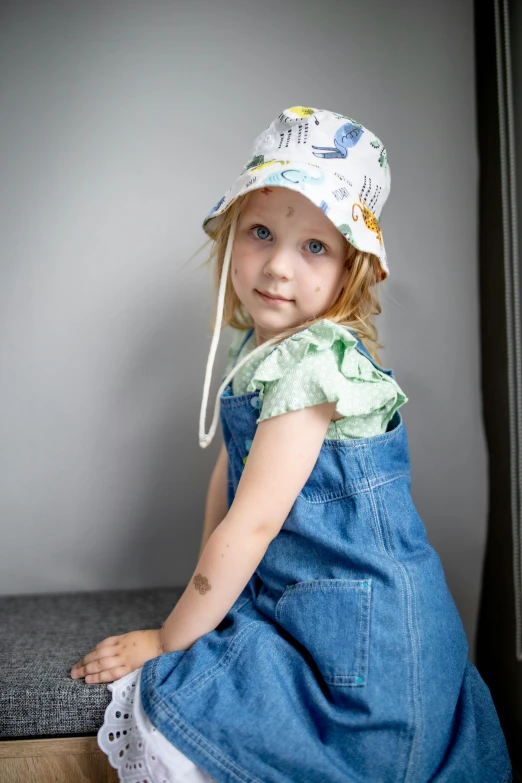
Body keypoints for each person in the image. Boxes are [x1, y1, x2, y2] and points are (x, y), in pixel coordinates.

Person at [85, 106, 511, 781]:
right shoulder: (258, 347)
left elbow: (253, 523)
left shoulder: (315, 362)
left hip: (368, 648)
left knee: (185, 696)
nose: (278, 267)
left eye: (314, 245)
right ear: (230, 238)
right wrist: (211, 594)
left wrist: (168, 638)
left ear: (349, 270)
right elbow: (228, 485)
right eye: (261, 232)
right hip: (312, 602)